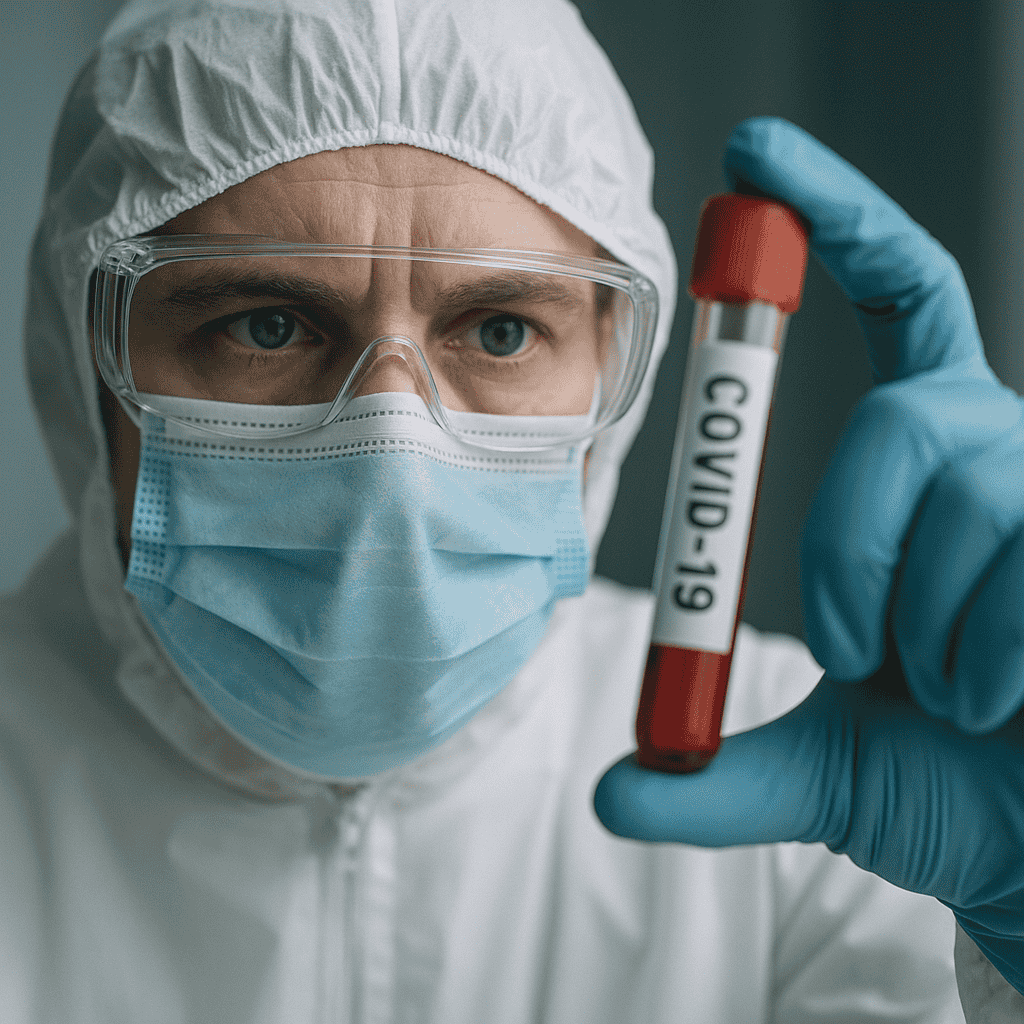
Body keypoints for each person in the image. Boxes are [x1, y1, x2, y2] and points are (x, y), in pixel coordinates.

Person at [1, 0, 1020, 1020]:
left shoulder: (803, 775)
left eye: (498, 332)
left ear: (613, 366)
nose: (392, 457)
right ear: (83, 359)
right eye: (265, 326)